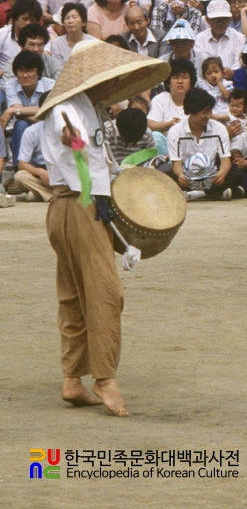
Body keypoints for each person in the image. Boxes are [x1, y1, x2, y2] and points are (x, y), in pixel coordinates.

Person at [37, 39, 155, 417]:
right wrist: (83, 157)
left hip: (77, 204)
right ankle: (104, 377)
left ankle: (73, 379)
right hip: (77, 204)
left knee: (73, 294)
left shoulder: (92, 108)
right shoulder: (66, 107)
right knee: (106, 292)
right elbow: (69, 136)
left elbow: (94, 158)